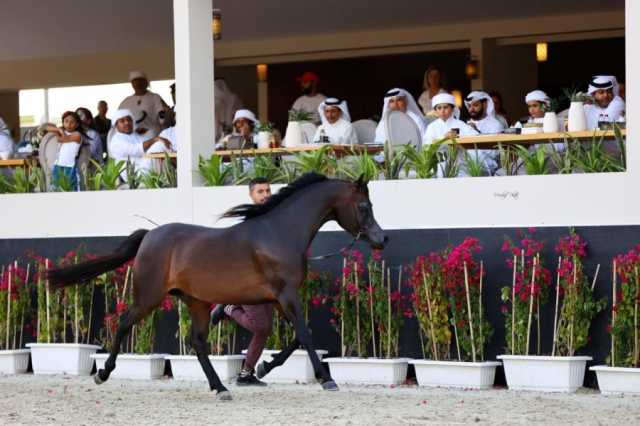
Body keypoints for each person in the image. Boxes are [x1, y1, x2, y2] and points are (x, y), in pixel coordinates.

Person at [210, 177, 274, 386]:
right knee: (260, 325)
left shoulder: (272, 218)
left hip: (267, 283)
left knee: (265, 329)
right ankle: (228, 308)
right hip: (247, 281)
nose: (265, 195)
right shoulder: (250, 222)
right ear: (251, 196)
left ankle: (246, 375)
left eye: (267, 191)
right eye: (260, 192)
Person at [108, 109, 171, 175]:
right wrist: (155, 139)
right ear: (116, 125)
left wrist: (151, 136)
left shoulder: (136, 135)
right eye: (122, 121)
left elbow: (150, 145)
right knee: (159, 146)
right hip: (135, 174)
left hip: (147, 167)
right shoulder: (116, 141)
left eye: (129, 120)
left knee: (161, 144)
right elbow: (136, 150)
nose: (127, 122)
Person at [118, 71, 169, 137]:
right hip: (133, 139)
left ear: (146, 82)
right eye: (135, 81)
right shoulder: (125, 102)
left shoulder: (155, 97)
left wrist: (167, 113)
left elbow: (163, 119)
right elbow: (118, 122)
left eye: (141, 81)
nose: (138, 84)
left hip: (153, 137)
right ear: (132, 84)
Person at [43, 111, 85, 190]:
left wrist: (59, 131)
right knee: (57, 189)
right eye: (66, 121)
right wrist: (58, 129)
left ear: (77, 125)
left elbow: (62, 139)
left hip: (70, 167)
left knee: (70, 189)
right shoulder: (62, 131)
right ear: (63, 122)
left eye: (72, 122)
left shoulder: (77, 135)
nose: (69, 124)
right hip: (58, 166)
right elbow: (45, 127)